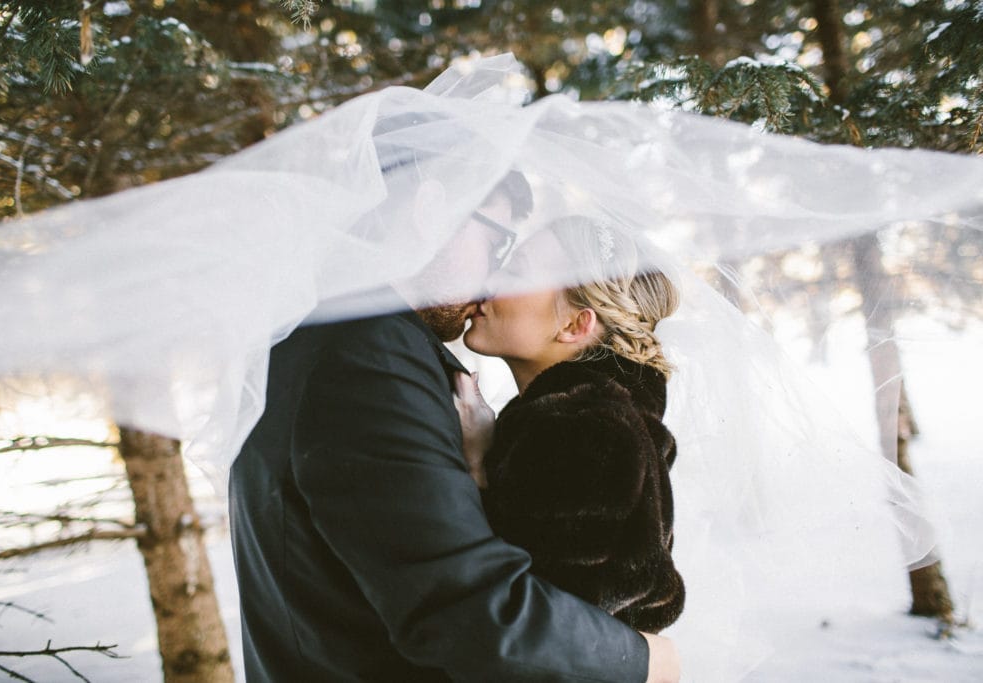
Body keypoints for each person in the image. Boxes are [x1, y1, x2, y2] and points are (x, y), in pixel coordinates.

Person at [228, 120, 682, 680]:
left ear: (577, 324)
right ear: (431, 210)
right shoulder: (365, 358)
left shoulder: (326, 337)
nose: (492, 275)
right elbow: (470, 610)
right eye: (497, 240)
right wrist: (636, 660)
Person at [455, 215, 685, 636]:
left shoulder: (588, 432)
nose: (490, 280)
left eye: (516, 271)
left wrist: (478, 471)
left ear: (575, 325)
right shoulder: (594, 419)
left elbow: (538, 622)